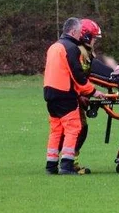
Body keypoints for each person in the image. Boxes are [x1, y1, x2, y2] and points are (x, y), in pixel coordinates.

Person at [44, 17, 106, 175]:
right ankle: (67, 165)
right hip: (65, 94)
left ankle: (51, 165)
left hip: (50, 94)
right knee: (74, 128)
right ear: (73, 31)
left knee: (56, 130)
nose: (80, 36)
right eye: (78, 33)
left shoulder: (55, 46)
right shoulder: (71, 48)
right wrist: (93, 91)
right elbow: (77, 75)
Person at [63, 18, 103, 174]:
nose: (95, 42)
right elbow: (77, 76)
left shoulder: (79, 50)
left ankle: (70, 162)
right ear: (86, 36)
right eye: (94, 38)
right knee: (79, 129)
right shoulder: (79, 51)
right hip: (71, 97)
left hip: (70, 95)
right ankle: (70, 163)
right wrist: (86, 93)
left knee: (78, 129)